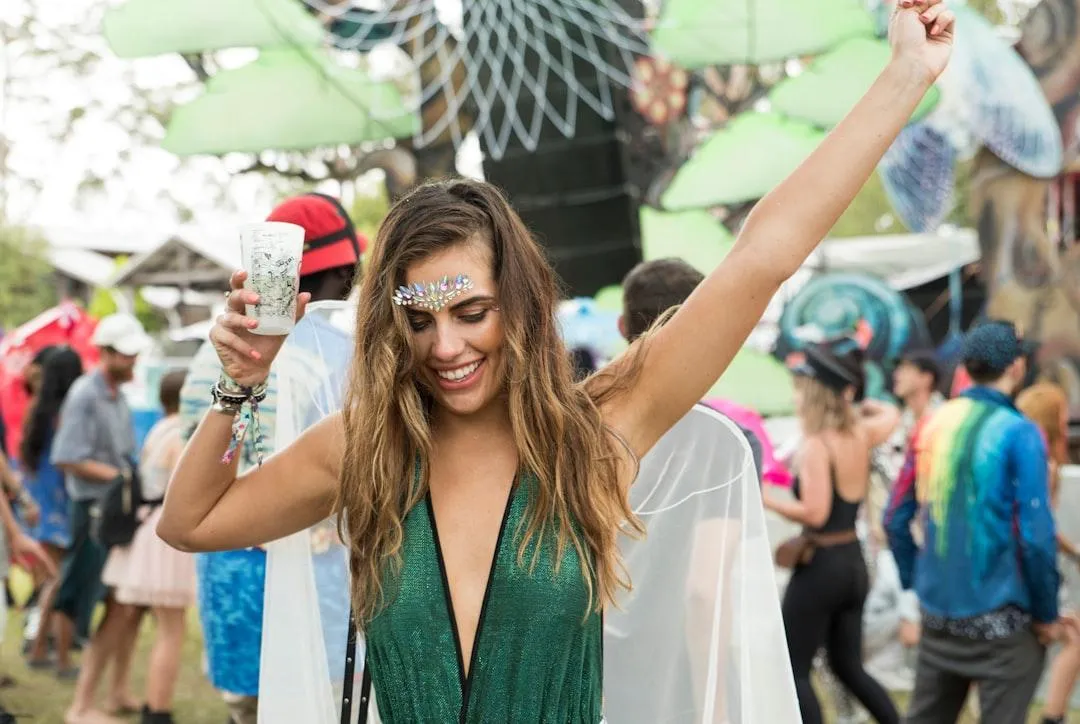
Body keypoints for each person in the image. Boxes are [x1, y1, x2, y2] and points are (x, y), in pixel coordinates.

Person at [159, 5, 955, 721]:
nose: (446, 347)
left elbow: (762, 255)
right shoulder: (364, 447)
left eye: (472, 312)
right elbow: (191, 522)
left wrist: (905, 75)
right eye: (420, 321)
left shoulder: (596, 433)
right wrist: (240, 384)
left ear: (520, 306)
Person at [176, 192, 365, 724]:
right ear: (343, 272)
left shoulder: (216, 349)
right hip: (310, 579)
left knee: (248, 708)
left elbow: (185, 456)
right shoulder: (342, 355)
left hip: (225, 563)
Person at [885, 320, 1063, 723]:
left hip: (939, 614)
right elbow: (1035, 537)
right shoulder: (1020, 432)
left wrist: (919, 581)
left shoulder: (932, 423)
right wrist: (1046, 613)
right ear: (1016, 367)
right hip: (1003, 622)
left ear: (966, 366)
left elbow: (895, 517)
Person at [763, 342, 901, 724]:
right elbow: (892, 413)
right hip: (853, 563)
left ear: (814, 395)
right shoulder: (861, 432)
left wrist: (767, 499)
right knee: (849, 666)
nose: (795, 398)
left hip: (822, 566)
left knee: (794, 670)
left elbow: (815, 511)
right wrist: (860, 403)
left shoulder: (816, 446)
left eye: (799, 390)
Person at [52, 313, 152, 724]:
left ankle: (117, 691)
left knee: (124, 605)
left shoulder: (117, 393)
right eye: (126, 354)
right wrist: (121, 477)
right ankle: (77, 698)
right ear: (105, 353)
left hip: (115, 513)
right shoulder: (85, 395)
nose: (133, 361)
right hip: (93, 513)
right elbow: (67, 456)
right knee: (82, 597)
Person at [101, 369, 192, 724]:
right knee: (171, 629)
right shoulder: (181, 434)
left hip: (147, 526)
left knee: (157, 624)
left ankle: (142, 700)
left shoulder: (157, 430)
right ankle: (157, 709)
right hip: (163, 531)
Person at [1017, 382, 1080, 724]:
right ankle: (1052, 716)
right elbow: (1039, 530)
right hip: (1031, 572)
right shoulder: (1043, 466)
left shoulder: (1020, 458)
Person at [21, 346, 84, 670]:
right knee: (58, 580)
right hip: (62, 501)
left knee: (49, 577)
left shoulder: (37, 409)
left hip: (40, 500)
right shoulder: (67, 414)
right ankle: (46, 650)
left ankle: (42, 644)